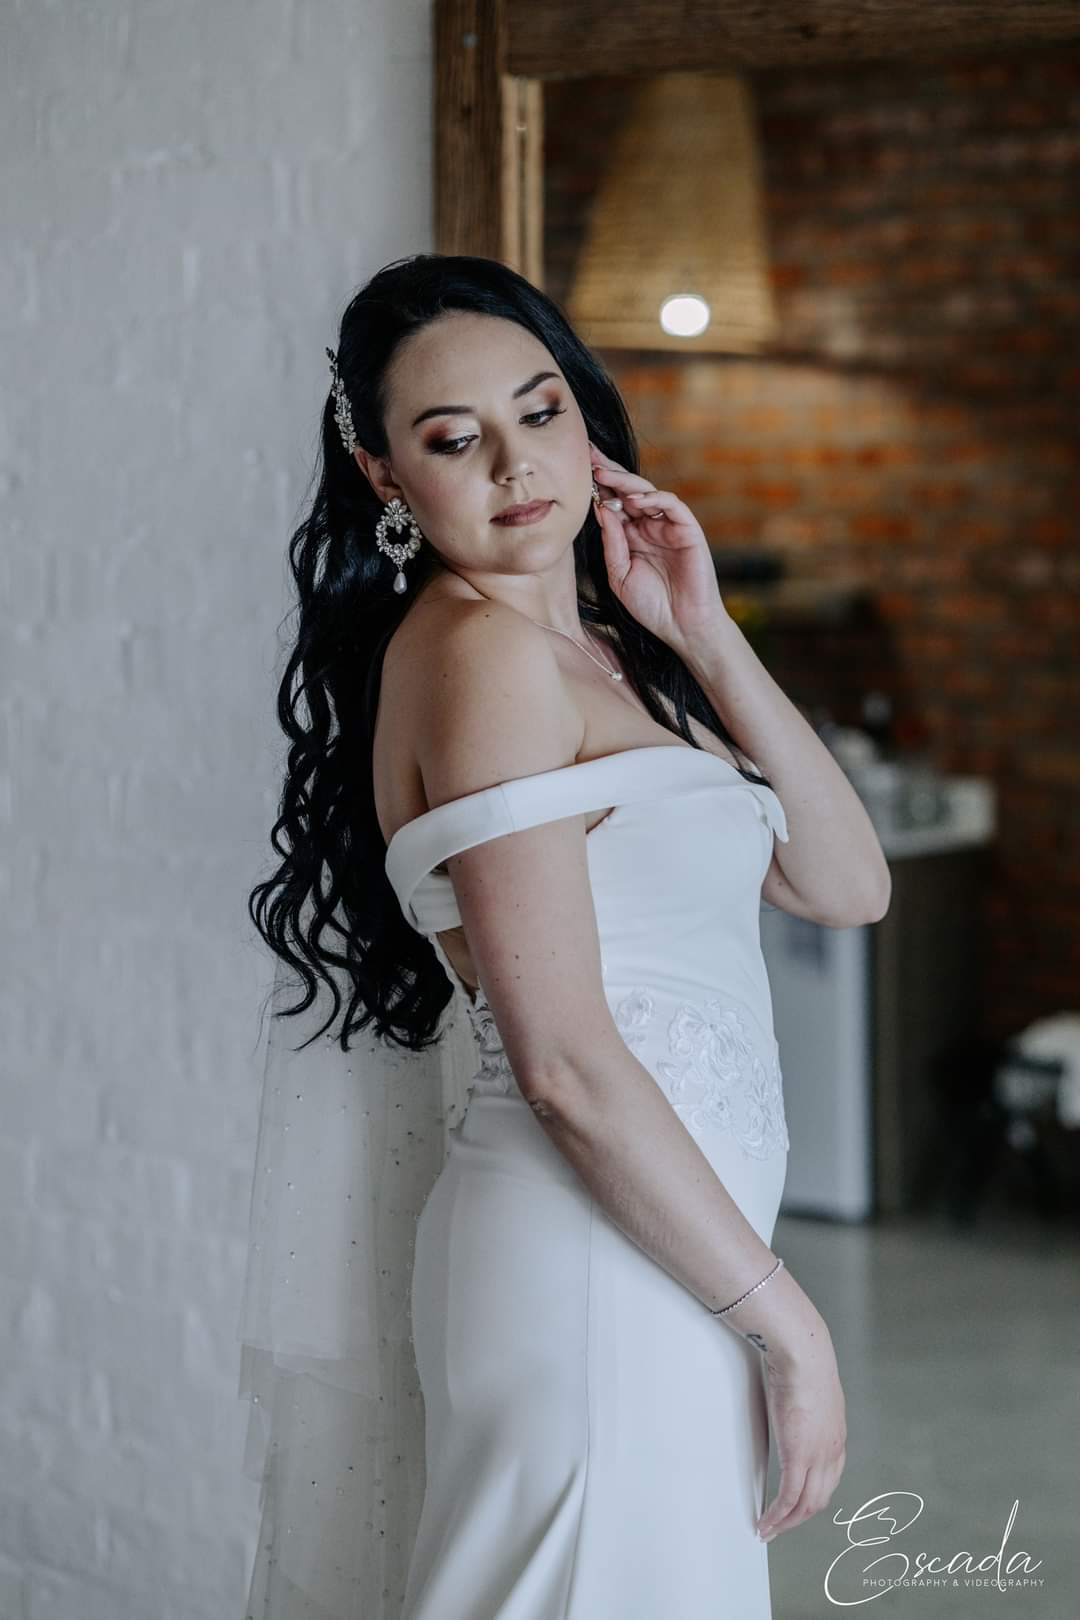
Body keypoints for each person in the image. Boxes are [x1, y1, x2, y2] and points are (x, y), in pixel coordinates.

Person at [241, 252, 888, 1619]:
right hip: (596, 1266)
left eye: (540, 412)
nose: (515, 463)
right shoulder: (477, 653)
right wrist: (791, 1326)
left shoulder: (604, 648)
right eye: (452, 439)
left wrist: (704, 633)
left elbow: (844, 884)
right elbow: (565, 1064)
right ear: (385, 478)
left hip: (678, 1254)